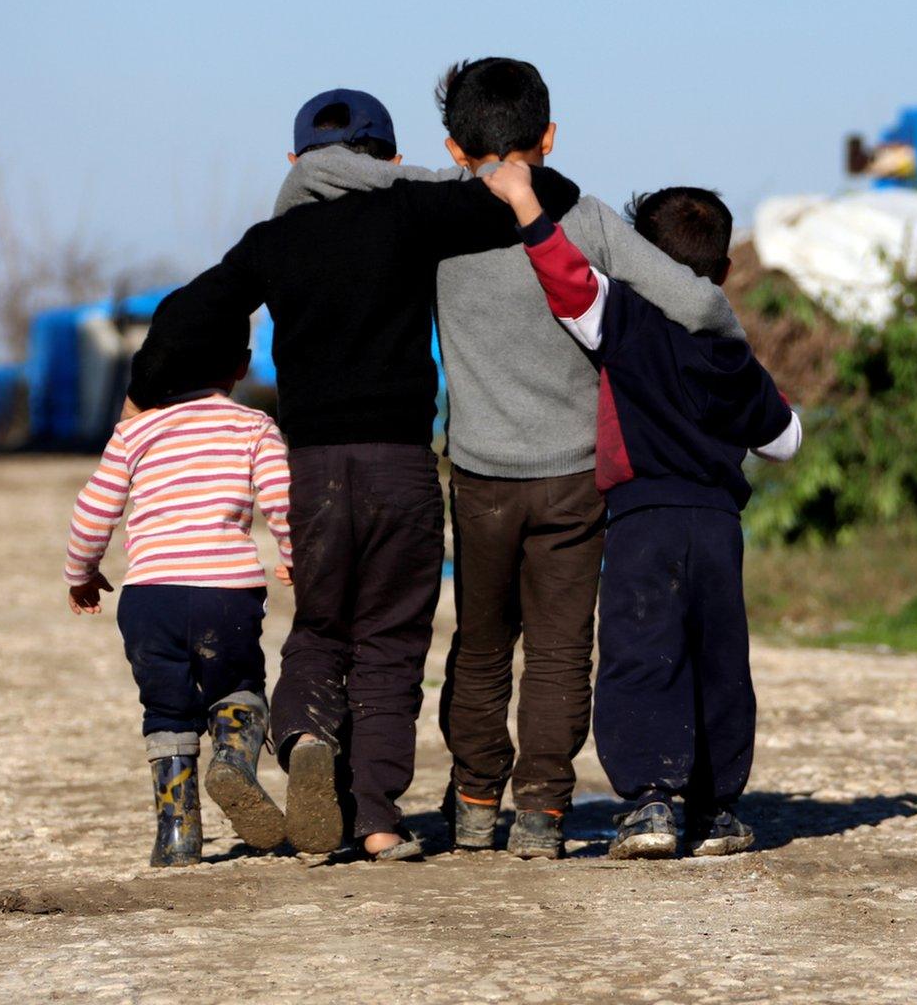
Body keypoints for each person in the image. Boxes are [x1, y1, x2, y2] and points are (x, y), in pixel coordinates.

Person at [280, 59, 746, 860]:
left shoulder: (431, 216)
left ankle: (472, 803)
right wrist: (734, 359)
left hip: (480, 476)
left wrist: (318, 171)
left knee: (483, 645)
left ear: (454, 147)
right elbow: (698, 302)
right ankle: (542, 813)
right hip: (574, 479)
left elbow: (346, 180)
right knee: (563, 649)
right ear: (552, 136)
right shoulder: (590, 220)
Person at [138, 89, 579, 861]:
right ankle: (375, 818)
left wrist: (141, 396)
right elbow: (549, 192)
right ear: (391, 157)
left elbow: (185, 313)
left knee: (321, 629)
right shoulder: (409, 210)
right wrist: (420, 183)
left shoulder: (272, 240)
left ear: (293, 162)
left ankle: (307, 736)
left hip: (311, 471)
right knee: (390, 643)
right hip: (399, 466)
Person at [481, 164, 800, 858]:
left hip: (640, 519)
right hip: (717, 525)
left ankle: (650, 804)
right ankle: (717, 812)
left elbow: (567, 278)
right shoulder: (728, 350)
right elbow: (784, 439)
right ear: (719, 269)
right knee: (718, 661)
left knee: (641, 655)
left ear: (639, 259)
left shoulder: (624, 319)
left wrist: (526, 204)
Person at [64, 314, 293, 867]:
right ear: (240, 367)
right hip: (226, 596)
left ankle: (177, 837)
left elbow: (94, 511)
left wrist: (82, 572)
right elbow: (285, 501)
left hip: (150, 599)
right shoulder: (253, 426)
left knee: (165, 708)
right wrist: (295, 558)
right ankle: (233, 764)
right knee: (237, 685)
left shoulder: (134, 432)